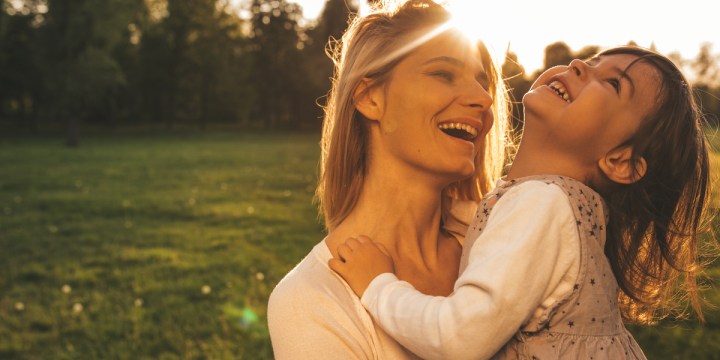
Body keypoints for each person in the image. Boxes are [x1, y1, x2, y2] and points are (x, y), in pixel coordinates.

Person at [330, 45, 711, 360]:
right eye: (590, 62)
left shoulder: (541, 205)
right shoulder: (556, 205)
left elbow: (460, 337)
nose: (579, 64)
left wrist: (379, 285)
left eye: (611, 83)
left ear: (621, 162)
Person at [267, 0, 511, 358]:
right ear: (370, 98)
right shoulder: (311, 299)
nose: (482, 99)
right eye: (443, 74)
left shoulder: (502, 245)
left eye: (482, 81)